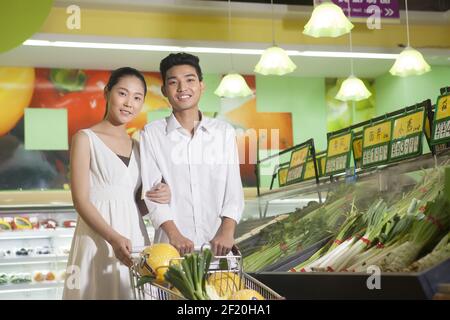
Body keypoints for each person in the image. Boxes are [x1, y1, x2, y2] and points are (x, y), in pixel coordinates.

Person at [63, 67, 171, 300]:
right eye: (122, 93)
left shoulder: (139, 147)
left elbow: (135, 203)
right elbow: (81, 200)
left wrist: (160, 194)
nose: (128, 103)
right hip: (97, 237)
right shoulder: (85, 138)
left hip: (134, 237)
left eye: (137, 97)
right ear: (107, 93)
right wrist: (113, 238)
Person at [140, 53, 244, 257]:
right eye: (173, 82)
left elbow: (233, 190)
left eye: (190, 80)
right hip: (170, 251)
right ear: (164, 90)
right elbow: (151, 194)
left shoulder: (224, 133)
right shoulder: (151, 134)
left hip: (217, 248)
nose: (182, 88)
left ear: (201, 85)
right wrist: (174, 234)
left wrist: (227, 231)